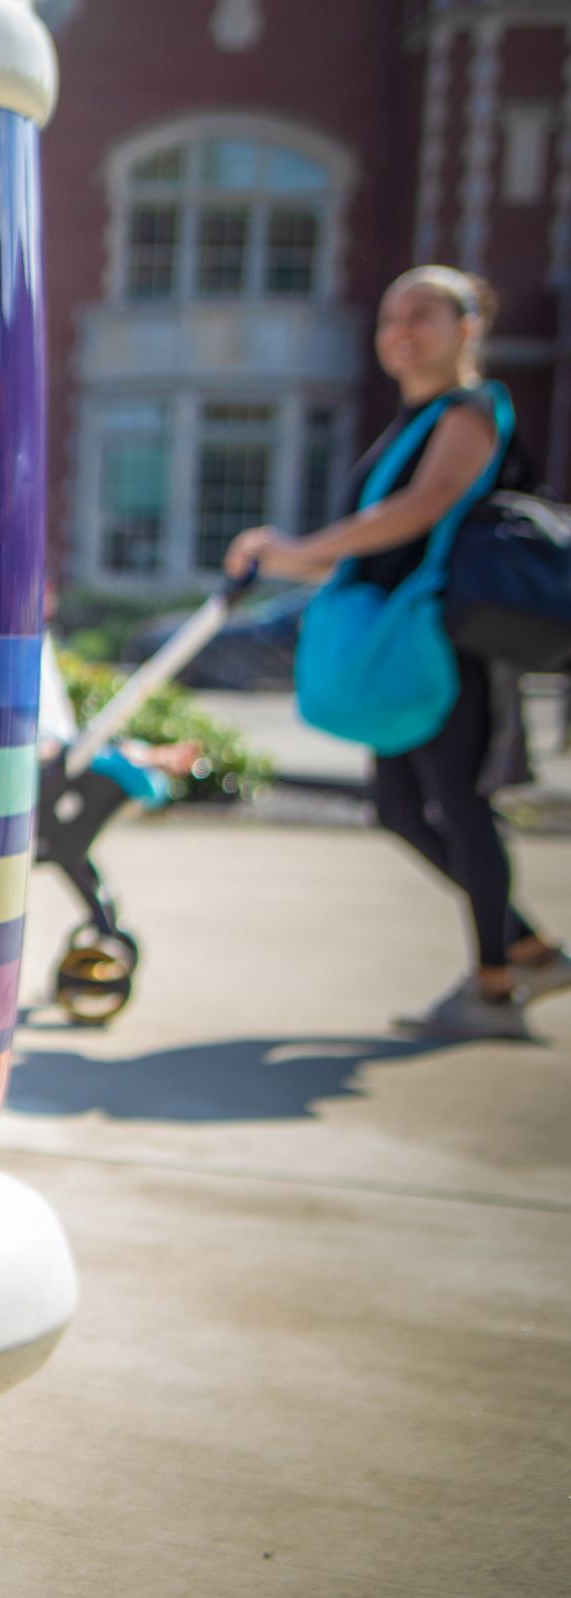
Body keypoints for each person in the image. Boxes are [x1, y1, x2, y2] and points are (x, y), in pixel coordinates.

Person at [226, 265, 569, 1039]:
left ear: (467, 327)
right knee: (399, 810)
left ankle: (492, 985)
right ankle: (524, 945)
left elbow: (423, 509)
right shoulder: (407, 424)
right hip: (405, 646)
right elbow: (362, 555)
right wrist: (278, 554)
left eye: (422, 314)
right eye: (389, 318)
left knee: (459, 808)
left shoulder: (471, 410)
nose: (402, 330)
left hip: (446, 646)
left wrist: (297, 548)